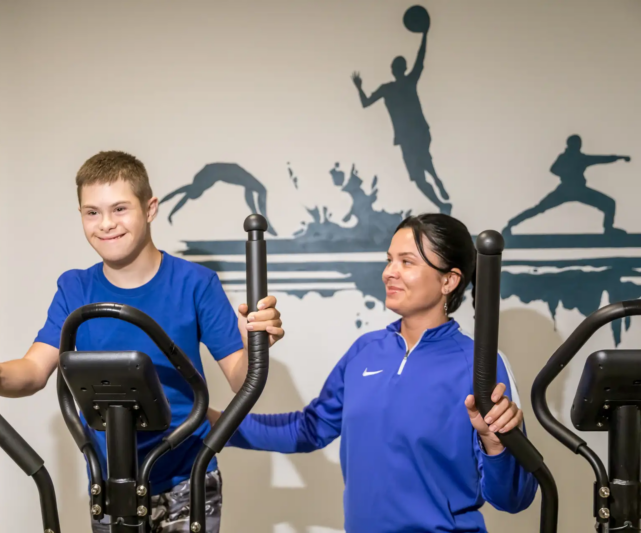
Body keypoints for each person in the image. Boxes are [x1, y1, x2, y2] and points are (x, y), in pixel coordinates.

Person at [0, 151, 286, 533]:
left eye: (120, 209)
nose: (106, 224)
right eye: (92, 212)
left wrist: (256, 346)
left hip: (186, 478)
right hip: (110, 482)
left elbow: (240, 378)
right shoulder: (75, 288)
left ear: (150, 208)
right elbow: (33, 371)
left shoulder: (196, 283)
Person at [211, 213, 537, 533]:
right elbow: (308, 429)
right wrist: (213, 423)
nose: (389, 272)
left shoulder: (481, 364)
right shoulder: (366, 350)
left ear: (448, 281)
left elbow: (514, 498)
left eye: (407, 262)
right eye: (389, 260)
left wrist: (494, 445)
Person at [352, 27, 452, 216]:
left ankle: (438, 183)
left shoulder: (403, 84)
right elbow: (366, 103)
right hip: (409, 136)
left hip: (416, 133)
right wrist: (359, 88)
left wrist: (425, 36)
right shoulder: (392, 87)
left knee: (422, 165)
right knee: (419, 175)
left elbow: (420, 59)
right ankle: (440, 199)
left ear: (397, 69)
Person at [504, 134, 631, 236]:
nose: (578, 146)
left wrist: (618, 157)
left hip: (576, 191)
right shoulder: (567, 157)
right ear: (571, 145)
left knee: (609, 203)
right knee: (539, 208)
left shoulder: (581, 158)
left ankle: (608, 229)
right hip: (567, 190)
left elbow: (600, 159)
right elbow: (553, 169)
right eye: (577, 144)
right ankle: (510, 225)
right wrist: (567, 173)